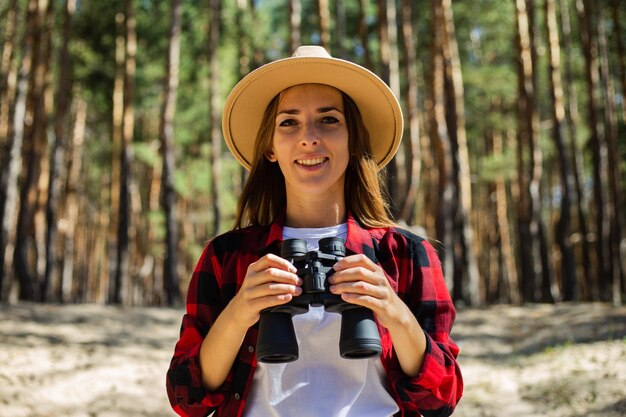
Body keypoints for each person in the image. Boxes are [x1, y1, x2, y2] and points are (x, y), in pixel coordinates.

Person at [166, 45, 463, 417]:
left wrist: (393, 312)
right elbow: (186, 399)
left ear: (353, 141)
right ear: (270, 148)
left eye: (329, 120)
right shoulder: (228, 256)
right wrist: (240, 311)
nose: (309, 137)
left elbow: (442, 399)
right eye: (288, 123)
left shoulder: (404, 253)